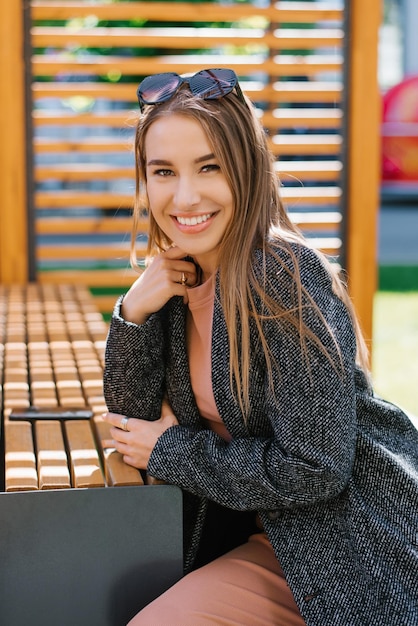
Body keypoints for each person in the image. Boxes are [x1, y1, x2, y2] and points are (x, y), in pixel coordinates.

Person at [102, 68, 418, 625]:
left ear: (245, 169)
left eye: (209, 167)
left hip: (346, 550)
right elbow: (133, 420)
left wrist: (173, 451)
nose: (185, 196)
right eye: (163, 172)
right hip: (268, 535)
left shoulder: (282, 278)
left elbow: (316, 466)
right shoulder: (180, 277)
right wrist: (135, 311)